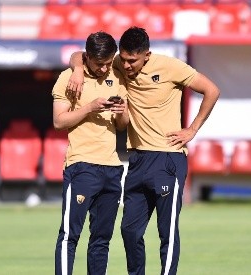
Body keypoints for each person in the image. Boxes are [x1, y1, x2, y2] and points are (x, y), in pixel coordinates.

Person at [68, 27, 220, 275]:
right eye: (124, 60)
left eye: (132, 61)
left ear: (146, 55)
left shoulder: (172, 67)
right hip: (137, 159)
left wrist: (192, 130)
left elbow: (212, 90)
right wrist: (76, 70)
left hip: (168, 158)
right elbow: (79, 55)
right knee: (129, 230)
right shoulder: (116, 62)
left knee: (167, 231)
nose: (126, 66)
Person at [52, 31, 129, 275]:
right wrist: (89, 107)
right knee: (70, 235)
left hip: (112, 167)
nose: (104, 68)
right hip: (82, 165)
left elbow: (121, 125)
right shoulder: (69, 78)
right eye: (99, 64)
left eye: (108, 63)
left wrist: (121, 111)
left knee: (101, 240)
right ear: (87, 57)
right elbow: (59, 121)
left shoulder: (117, 76)